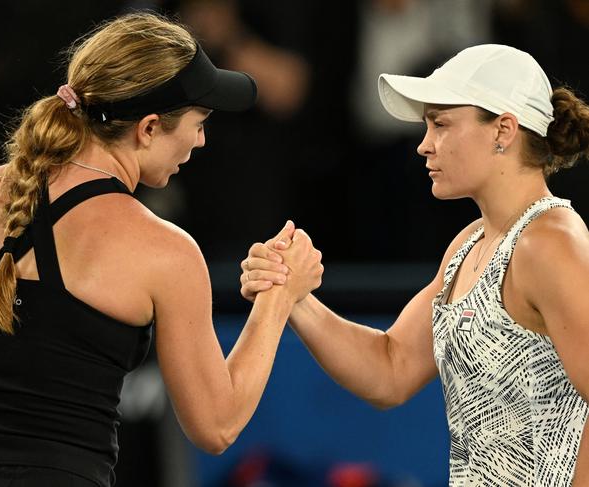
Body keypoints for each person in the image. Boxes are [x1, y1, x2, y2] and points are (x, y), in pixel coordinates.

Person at [0, 12, 323, 487]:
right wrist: (278, 298)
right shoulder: (166, 252)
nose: (201, 141)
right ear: (147, 128)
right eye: (199, 123)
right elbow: (216, 426)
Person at [241, 44, 589, 486]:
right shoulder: (470, 243)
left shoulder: (551, 243)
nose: (424, 145)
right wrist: (291, 293)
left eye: (440, 124)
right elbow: (391, 369)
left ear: (503, 130)